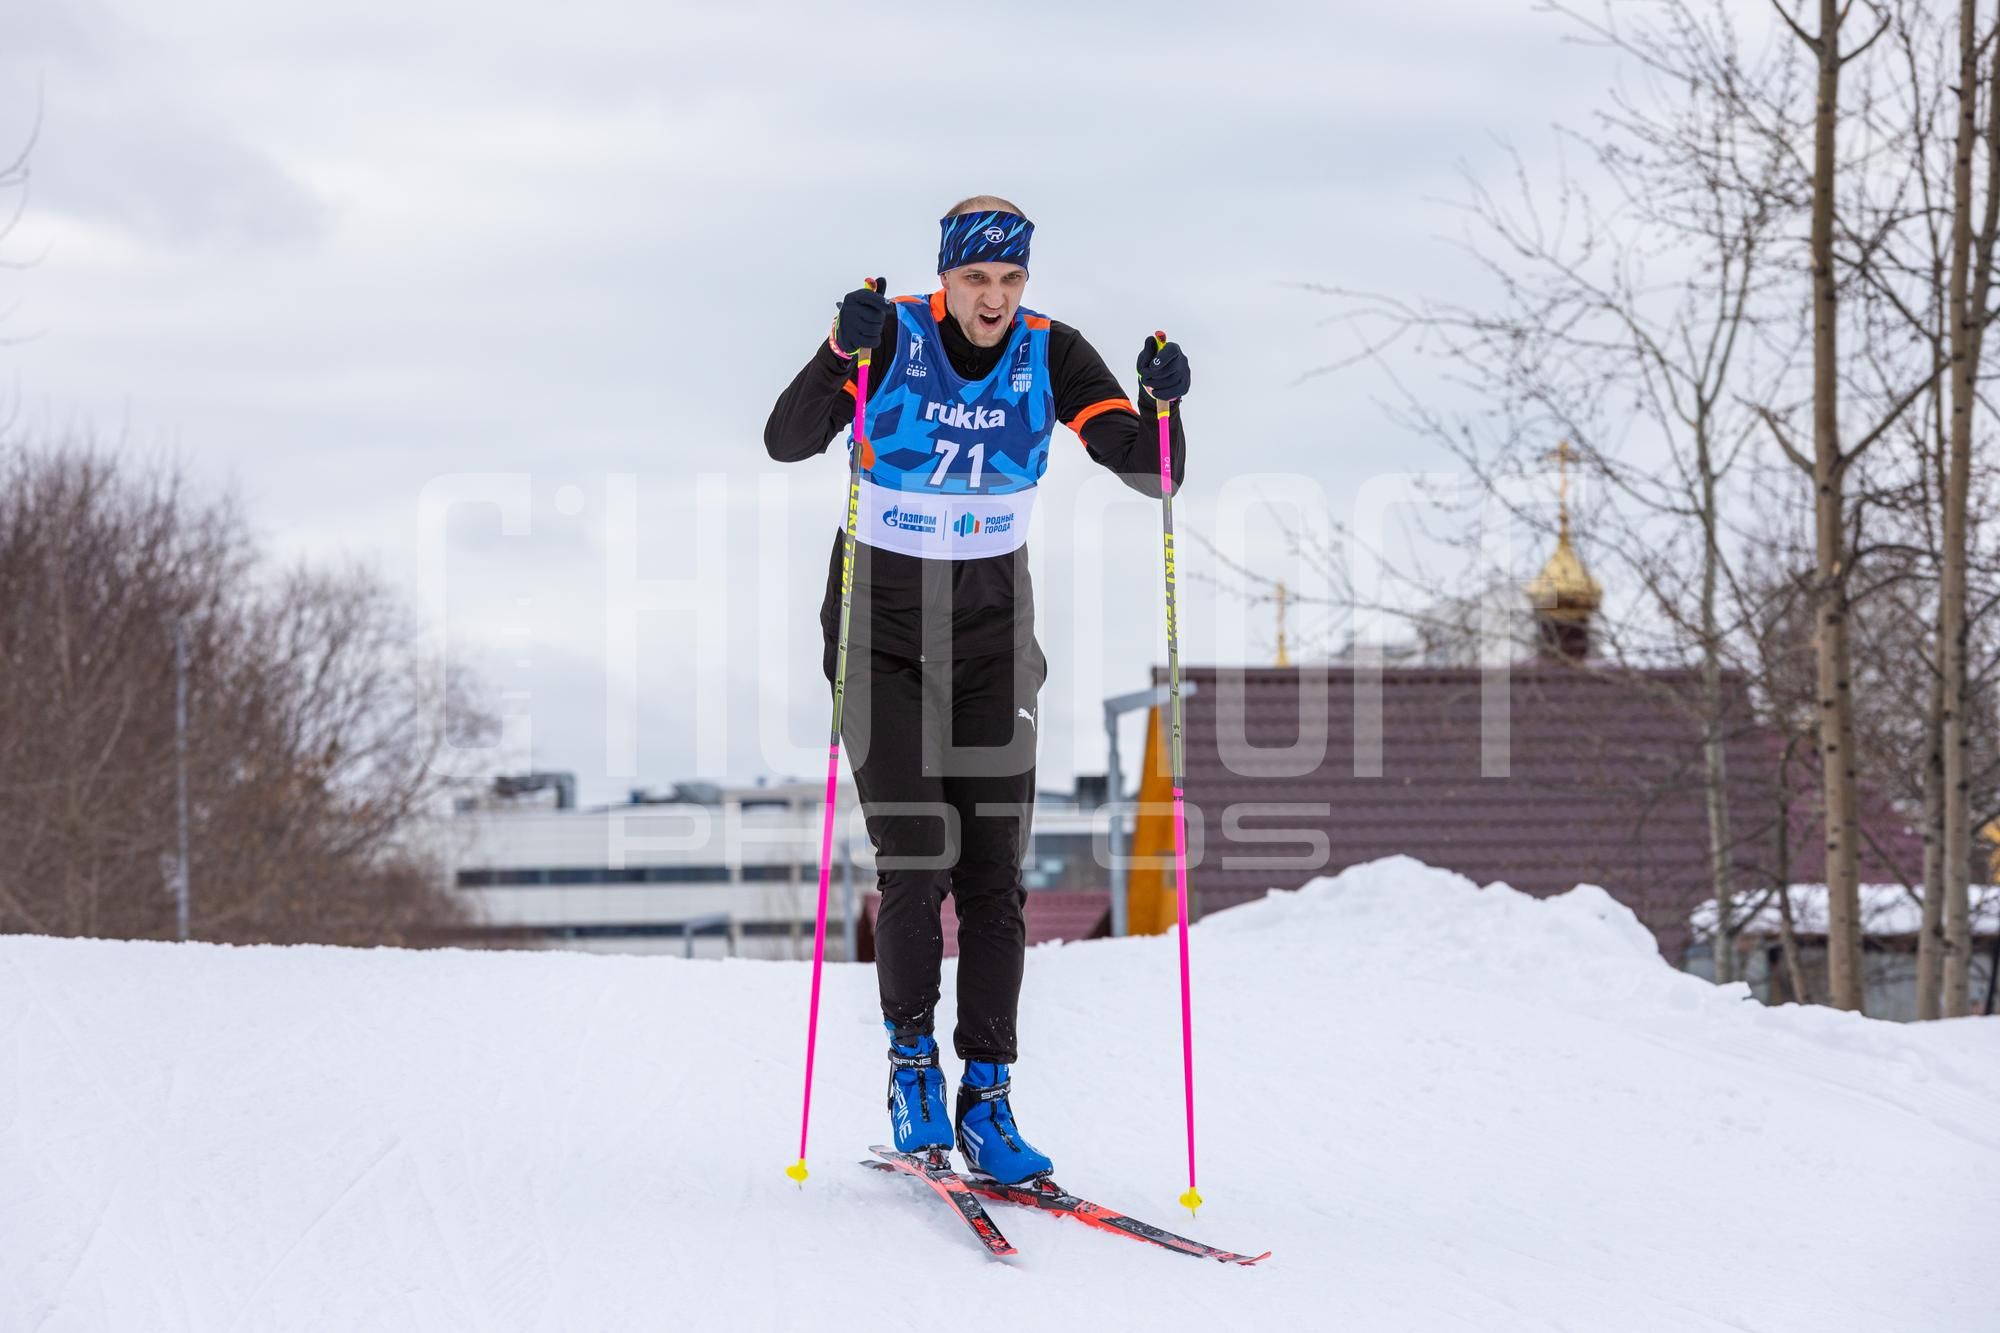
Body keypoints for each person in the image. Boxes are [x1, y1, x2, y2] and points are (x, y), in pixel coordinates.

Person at [763, 195, 1189, 1183]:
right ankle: (910, 1065)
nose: (992, 299)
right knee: (916, 855)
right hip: (880, 621)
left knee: (993, 876)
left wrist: (1164, 402)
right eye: (973, 280)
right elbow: (788, 441)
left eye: (1007, 281)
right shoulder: (891, 336)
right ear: (943, 278)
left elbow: (1151, 470)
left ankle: (988, 1096)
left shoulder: (1051, 352)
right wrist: (836, 353)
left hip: (993, 624)